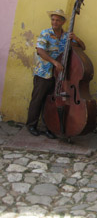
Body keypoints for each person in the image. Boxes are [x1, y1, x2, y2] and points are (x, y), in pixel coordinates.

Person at [26, 9, 86, 138]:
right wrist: (55, 62)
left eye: (57, 20)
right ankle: (31, 125)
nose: (54, 22)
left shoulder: (66, 36)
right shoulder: (45, 33)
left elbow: (82, 47)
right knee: (37, 99)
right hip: (44, 72)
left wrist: (76, 38)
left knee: (51, 102)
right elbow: (40, 51)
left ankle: (50, 127)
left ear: (63, 22)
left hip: (59, 76)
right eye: (53, 19)